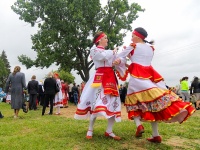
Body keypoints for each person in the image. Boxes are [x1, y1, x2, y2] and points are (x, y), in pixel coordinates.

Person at [114, 27, 195, 143]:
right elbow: (139, 63)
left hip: (136, 79)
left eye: (132, 36)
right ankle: (155, 135)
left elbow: (120, 57)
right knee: (152, 105)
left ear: (137, 36)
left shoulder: (133, 46)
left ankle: (139, 126)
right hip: (150, 77)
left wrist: (119, 60)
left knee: (132, 103)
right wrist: (126, 63)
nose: (131, 38)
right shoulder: (150, 48)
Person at [74, 31, 121, 140]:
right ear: (99, 40)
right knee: (95, 103)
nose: (107, 40)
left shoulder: (109, 52)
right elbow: (102, 56)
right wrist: (113, 52)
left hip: (110, 77)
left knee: (114, 102)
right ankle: (90, 129)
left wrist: (118, 61)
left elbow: (115, 60)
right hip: (99, 77)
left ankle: (109, 130)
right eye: (105, 38)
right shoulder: (94, 49)